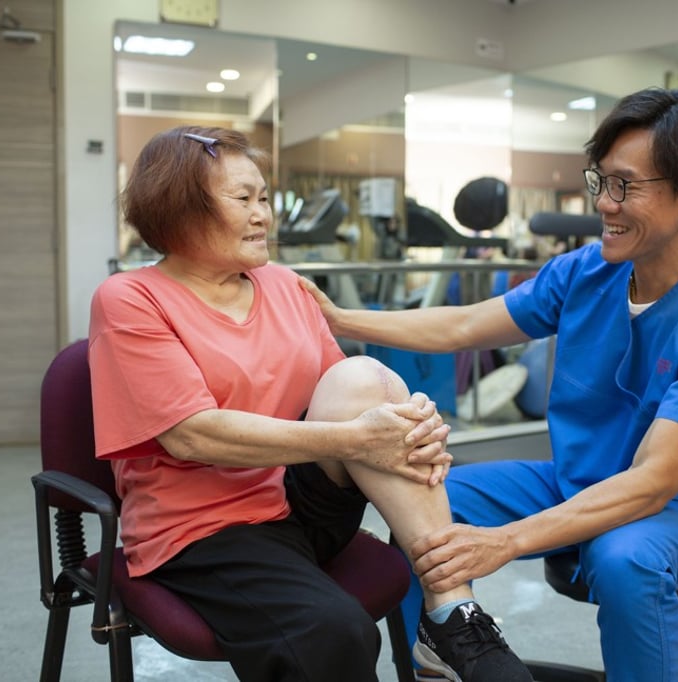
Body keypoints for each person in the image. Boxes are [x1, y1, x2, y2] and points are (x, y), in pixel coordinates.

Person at [301, 87, 678, 681]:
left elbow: (652, 485)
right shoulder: (586, 271)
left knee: (625, 558)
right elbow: (467, 324)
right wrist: (340, 319)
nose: (605, 203)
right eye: (600, 181)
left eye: (626, 186)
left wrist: (506, 542)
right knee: (424, 501)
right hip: (571, 479)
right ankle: (436, 663)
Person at [87, 126, 534, 682]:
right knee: (337, 631)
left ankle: (449, 613)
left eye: (264, 198)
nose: (262, 216)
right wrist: (359, 438)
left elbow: (346, 391)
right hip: (202, 529)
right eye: (243, 199)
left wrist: (412, 424)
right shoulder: (131, 299)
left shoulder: (284, 285)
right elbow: (191, 434)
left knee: (365, 374)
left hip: (300, 503)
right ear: (179, 208)